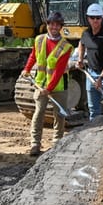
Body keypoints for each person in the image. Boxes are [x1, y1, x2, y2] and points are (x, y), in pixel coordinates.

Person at [21, 11, 73, 156]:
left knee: (59, 115)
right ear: (47, 24)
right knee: (38, 113)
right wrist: (27, 69)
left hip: (59, 86)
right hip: (40, 84)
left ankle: (57, 143)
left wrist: (49, 89)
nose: (54, 27)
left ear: (61, 27)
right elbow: (33, 56)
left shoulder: (66, 47)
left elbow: (58, 71)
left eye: (57, 25)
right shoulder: (39, 40)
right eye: (52, 24)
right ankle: (35, 144)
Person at [76, 3, 103, 119]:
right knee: (93, 109)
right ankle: (94, 127)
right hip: (91, 74)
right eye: (92, 18)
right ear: (88, 18)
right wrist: (80, 59)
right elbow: (81, 44)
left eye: (98, 18)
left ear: (102, 18)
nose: (95, 20)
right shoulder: (86, 33)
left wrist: (101, 78)